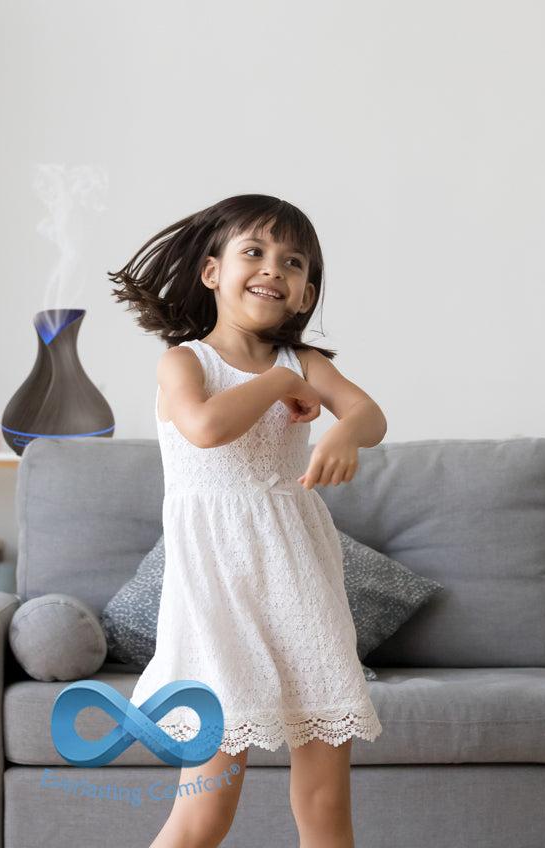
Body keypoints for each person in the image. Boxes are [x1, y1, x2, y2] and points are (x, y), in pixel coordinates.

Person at [107, 194, 385, 848]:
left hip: (301, 583)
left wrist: (345, 432)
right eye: (254, 252)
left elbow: (370, 415)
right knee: (204, 812)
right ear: (212, 272)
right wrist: (276, 386)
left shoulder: (307, 363)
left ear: (305, 291)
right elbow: (205, 428)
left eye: (293, 262)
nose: (273, 269)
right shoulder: (184, 362)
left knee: (325, 805)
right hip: (216, 600)